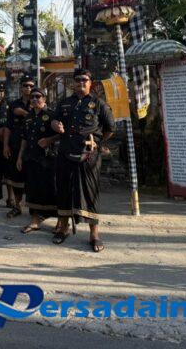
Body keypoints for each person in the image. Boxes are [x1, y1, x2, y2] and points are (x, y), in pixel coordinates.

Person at [51, 69, 115, 251]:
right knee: (63, 190)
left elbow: (110, 128)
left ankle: (94, 234)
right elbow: (54, 121)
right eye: (77, 79)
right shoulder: (64, 102)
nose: (81, 82)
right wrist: (55, 125)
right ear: (73, 83)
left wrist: (97, 142)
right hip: (65, 152)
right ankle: (63, 228)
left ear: (90, 82)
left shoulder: (98, 103)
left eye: (84, 80)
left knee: (89, 191)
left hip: (88, 156)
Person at [16, 88, 60, 234]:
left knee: (51, 189)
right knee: (33, 189)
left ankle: (60, 222)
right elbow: (24, 138)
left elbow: (62, 134)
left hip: (48, 159)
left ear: (44, 99)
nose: (34, 99)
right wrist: (20, 157)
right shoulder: (28, 117)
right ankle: (35, 220)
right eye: (32, 97)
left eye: (38, 96)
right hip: (31, 157)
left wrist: (49, 140)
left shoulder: (52, 115)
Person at [2, 74, 34, 218]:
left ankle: (34, 207)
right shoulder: (14, 104)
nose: (28, 88)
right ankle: (17, 205)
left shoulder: (38, 102)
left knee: (33, 176)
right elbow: (8, 127)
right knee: (16, 176)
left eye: (31, 86)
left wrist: (26, 113)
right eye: (25, 85)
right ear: (21, 88)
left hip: (33, 146)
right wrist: (5, 145)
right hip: (15, 144)